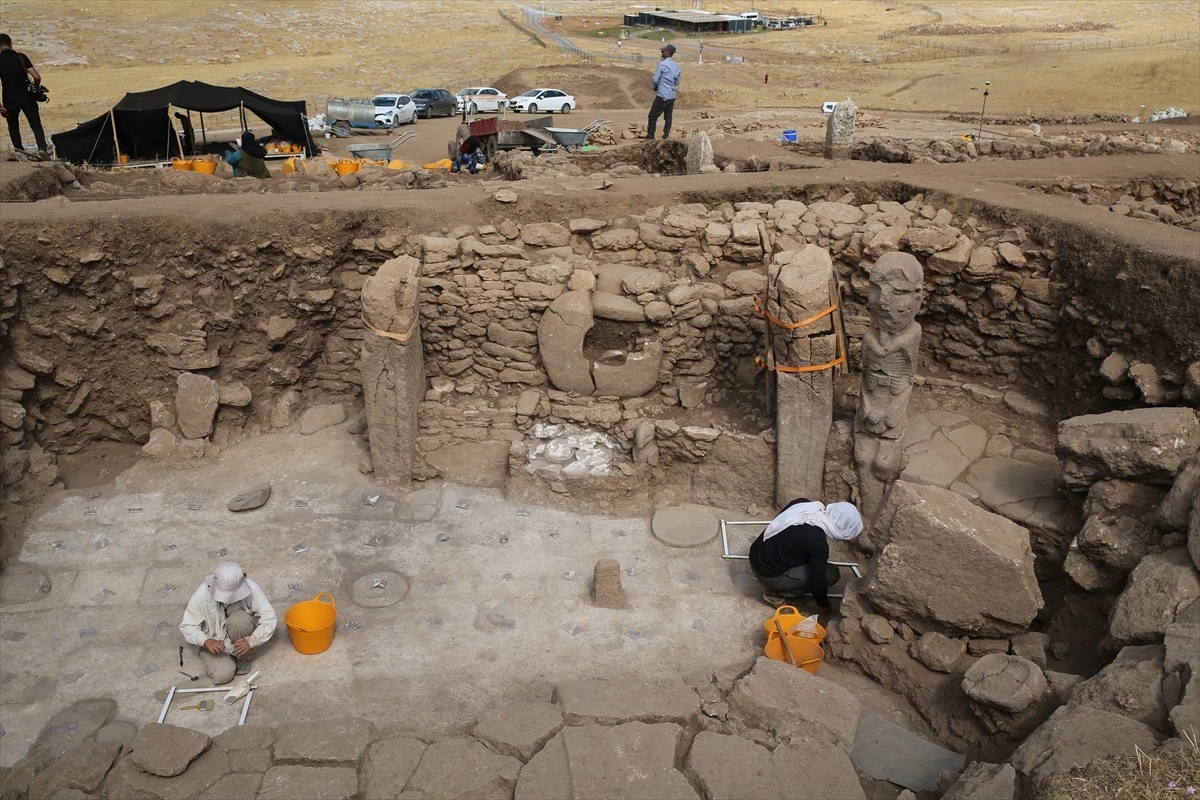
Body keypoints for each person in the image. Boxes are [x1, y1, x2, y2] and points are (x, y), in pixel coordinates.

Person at [749, 498, 864, 613]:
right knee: (831, 573)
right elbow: (818, 583)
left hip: (756, 553)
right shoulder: (817, 542)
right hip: (767, 574)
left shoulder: (805, 504)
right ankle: (776, 594)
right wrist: (823, 604)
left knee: (810, 558)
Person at [179, 562, 277, 685]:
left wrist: (252, 640)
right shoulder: (202, 594)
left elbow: (269, 619)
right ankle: (217, 657)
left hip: (238, 630)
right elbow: (187, 625)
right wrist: (205, 641)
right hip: (213, 639)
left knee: (240, 619)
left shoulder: (252, 588)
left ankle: (243, 655)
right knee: (222, 676)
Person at [0, 33, 49, 160]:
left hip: (9, 98)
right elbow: (37, 76)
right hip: (26, 95)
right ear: (11, 44)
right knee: (35, 124)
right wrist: (36, 87)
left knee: (13, 125)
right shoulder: (21, 57)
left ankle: (20, 152)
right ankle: (42, 149)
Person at [646, 43, 681, 141]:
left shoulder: (662, 64)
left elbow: (656, 79)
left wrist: (655, 87)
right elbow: (677, 82)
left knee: (652, 116)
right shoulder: (677, 66)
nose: (662, 52)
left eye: (664, 51)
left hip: (662, 95)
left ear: (670, 53)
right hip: (672, 95)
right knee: (668, 116)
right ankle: (666, 135)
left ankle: (650, 136)